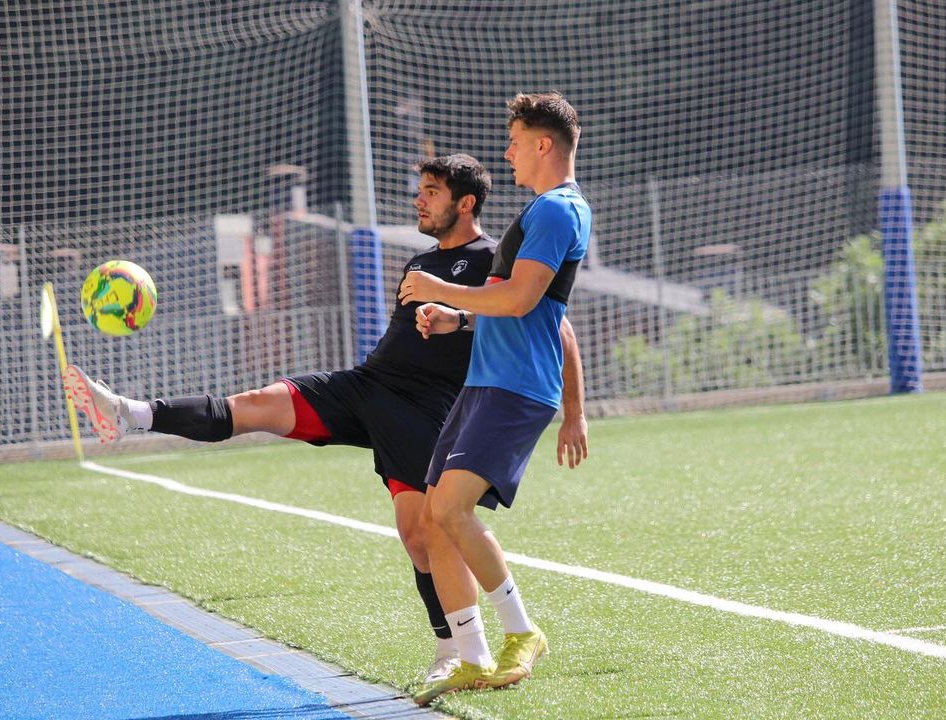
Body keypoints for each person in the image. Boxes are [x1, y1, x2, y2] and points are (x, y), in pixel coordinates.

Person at [63, 153, 589, 685]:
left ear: (465, 202)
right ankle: (130, 413)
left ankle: (453, 650)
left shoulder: (493, 258)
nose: (419, 199)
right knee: (259, 403)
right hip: (368, 386)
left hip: (427, 409)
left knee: (420, 535)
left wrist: (574, 413)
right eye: (421, 189)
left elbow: (554, 329)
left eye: (431, 191)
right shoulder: (418, 262)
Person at [397, 92, 591, 705]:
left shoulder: (559, 211)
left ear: (542, 145)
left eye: (513, 141)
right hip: (486, 381)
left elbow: (524, 302)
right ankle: (472, 655)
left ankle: (522, 632)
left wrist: (441, 290)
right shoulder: (540, 211)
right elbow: (515, 307)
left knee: (452, 510)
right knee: (433, 517)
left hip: (516, 387)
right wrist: (459, 322)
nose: (505, 152)